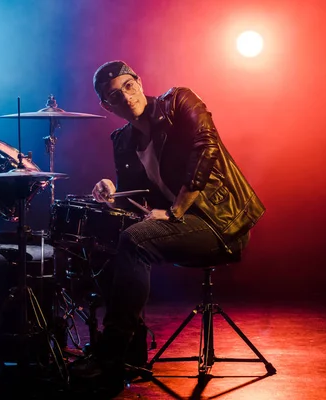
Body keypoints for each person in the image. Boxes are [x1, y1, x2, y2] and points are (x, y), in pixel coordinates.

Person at [69, 60, 265, 395]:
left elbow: (208, 148)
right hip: (180, 224)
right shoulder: (122, 140)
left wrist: (175, 211)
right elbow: (136, 198)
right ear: (107, 105)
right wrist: (111, 192)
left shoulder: (180, 102)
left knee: (134, 240)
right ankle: (133, 355)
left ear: (139, 81)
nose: (126, 97)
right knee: (105, 242)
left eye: (128, 86)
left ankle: (111, 355)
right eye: (114, 96)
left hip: (221, 222)